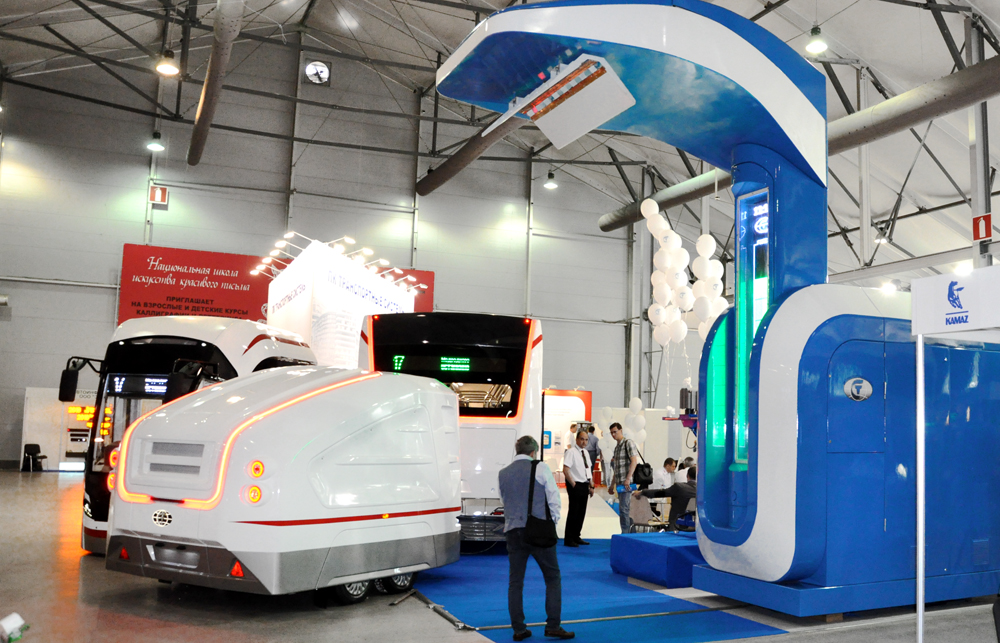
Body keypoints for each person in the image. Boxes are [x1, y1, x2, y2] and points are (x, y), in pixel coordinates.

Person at [498, 436, 575, 641]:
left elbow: (504, 500)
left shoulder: (503, 473)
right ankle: (553, 626)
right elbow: (553, 497)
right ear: (534, 452)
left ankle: (519, 629)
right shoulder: (540, 468)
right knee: (552, 577)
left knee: (515, 582)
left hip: (512, 531)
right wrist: (553, 521)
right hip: (539, 531)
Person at [634, 465, 697, 530]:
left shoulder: (679, 487)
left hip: (676, 526)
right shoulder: (702, 491)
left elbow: (660, 493)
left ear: (687, 476)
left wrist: (643, 492)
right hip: (697, 526)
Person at [562, 430, 594, 547]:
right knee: (574, 512)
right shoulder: (571, 452)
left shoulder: (586, 453)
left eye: (586, 440)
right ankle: (569, 538)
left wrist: (591, 485)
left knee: (581, 512)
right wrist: (573, 484)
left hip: (584, 484)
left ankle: (576, 535)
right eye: (582, 439)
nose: (584, 442)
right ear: (576, 439)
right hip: (575, 484)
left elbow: (588, 470)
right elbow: (566, 469)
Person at [608, 422, 639, 533]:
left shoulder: (628, 443)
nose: (613, 435)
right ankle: (632, 533)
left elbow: (634, 461)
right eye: (611, 433)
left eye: (615, 432)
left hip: (627, 483)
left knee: (624, 509)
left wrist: (628, 478)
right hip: (620, 483)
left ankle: (625, 534)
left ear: (621, 430)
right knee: (625, 509)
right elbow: (616, 469)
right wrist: (612, 485)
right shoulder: (617, 448)